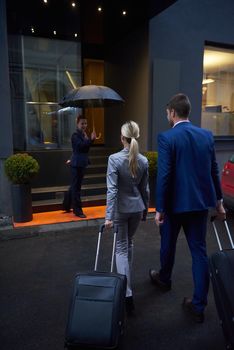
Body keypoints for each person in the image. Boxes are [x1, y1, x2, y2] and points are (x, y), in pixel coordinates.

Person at [149, 93, 226, 323]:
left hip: (174, 206)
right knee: (199, 253)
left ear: (173, 112)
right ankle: (199, 306)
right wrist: (219, 203)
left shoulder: (167, 137)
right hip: (200, 205)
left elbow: (164, 176)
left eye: (167, 113)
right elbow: (214, 170)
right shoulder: (206, 135)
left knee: (167, 245)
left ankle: (164, 279)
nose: (167, 116)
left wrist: (159, 208)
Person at [105, 121, 149, 316]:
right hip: (136, 208)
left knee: (121, 248)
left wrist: (108, 216)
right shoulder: (144, 161)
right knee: (128, 244)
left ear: (122, 138)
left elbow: (112, 190)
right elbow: (145, 189)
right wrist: (145, 210)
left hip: (121, 210)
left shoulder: (114, 159)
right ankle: (127, 284)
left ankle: (126, 293)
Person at [70, 115, 96, 218]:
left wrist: (90, 139)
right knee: (76, 188)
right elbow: (80, 146)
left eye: (85, 123)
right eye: (82, 123)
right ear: (77, 123)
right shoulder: (75, 135)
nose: (84, 125)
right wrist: (91, 140)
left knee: (75, 186)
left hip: (81, 163)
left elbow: (85, 148)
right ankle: (78, 211)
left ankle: (67, 204)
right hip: (76, 164)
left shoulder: (84, 134)